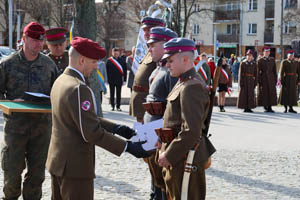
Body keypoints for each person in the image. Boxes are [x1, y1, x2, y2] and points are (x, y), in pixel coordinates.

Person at [46, 37, 149, 200]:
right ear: (82, 60)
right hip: (76, 167)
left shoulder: (61, 81)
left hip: (59, 162)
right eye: (94, 62)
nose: (96, 67)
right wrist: (127, 147)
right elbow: (91, 132)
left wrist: (117, 128)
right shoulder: (78, 88)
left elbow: (83, 118)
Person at [0, 21, 58, 200]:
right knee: (12, 171)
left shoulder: (49, 65)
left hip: (41, 129)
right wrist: (11, 102)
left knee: (37, 174)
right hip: (16, 128)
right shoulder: (7, 64)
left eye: (41, 40)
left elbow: (57, 93)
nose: (38, 44)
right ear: (24, 39)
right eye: (34, 40)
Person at [157, 38, 211, 200]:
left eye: (171, 60)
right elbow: (175, 122)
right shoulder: (183, 82)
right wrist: (163, 141)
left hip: (186, 160)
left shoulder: (191, 86)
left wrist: (169, 155)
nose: (167, 64)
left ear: (185, 59)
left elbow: (191, 131)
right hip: (180, 158)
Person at [143, 27, 178, 200]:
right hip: (151, 131)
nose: (149, 48)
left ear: (165, 45)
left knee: (164, 185)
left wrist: (161, 137)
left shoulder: (170, 73)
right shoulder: (158, 69)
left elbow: (173, 111)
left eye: (153, 44)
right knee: (154, 178)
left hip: (160, 136)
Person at [129, 16, 165, 122]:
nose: (145, 33)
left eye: (149, 30)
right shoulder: (149, 51)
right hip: (141, 102)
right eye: (144, 30)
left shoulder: (159, 52)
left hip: (149, 103)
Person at [257, 46, 277, 112]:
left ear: (269, 52)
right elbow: (258, 71)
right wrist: (259, 80)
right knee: (265, 93)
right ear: (263, 52)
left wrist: (275, 80)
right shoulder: (260, 60)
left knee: (271, 92)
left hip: (271, 78)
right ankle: (265, 106)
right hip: (264, 78)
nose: (267, 53)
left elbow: (274, 71)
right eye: (265, 51)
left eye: (268, 51)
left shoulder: (272, 60)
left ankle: (270, 106)